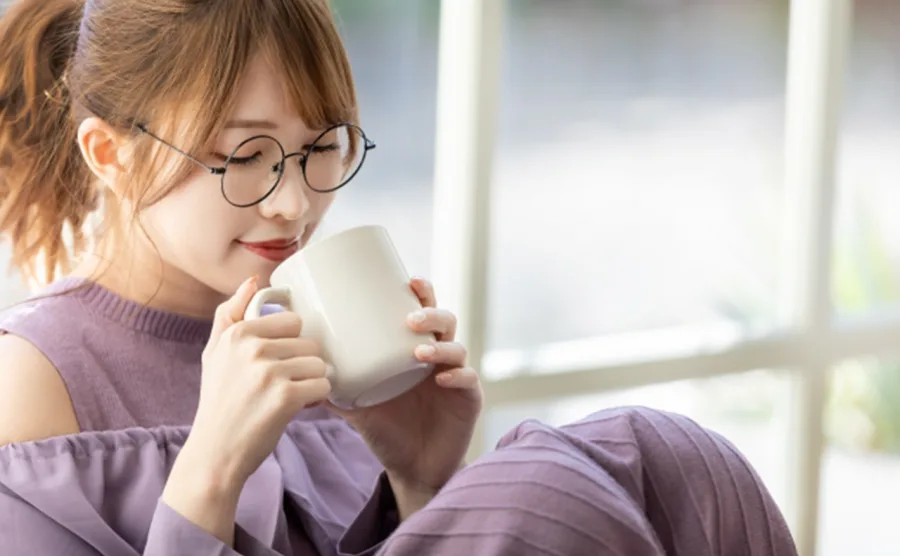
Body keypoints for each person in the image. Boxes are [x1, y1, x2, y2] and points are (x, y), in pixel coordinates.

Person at [0, 0, 798, 554]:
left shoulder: (314, 335)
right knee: (540, 490)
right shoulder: (33, 382)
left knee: (666, 456)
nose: (294, 203)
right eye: (245, 156)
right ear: (109, 153)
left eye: (322, 148)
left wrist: (422, 481)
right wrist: (210, 470)